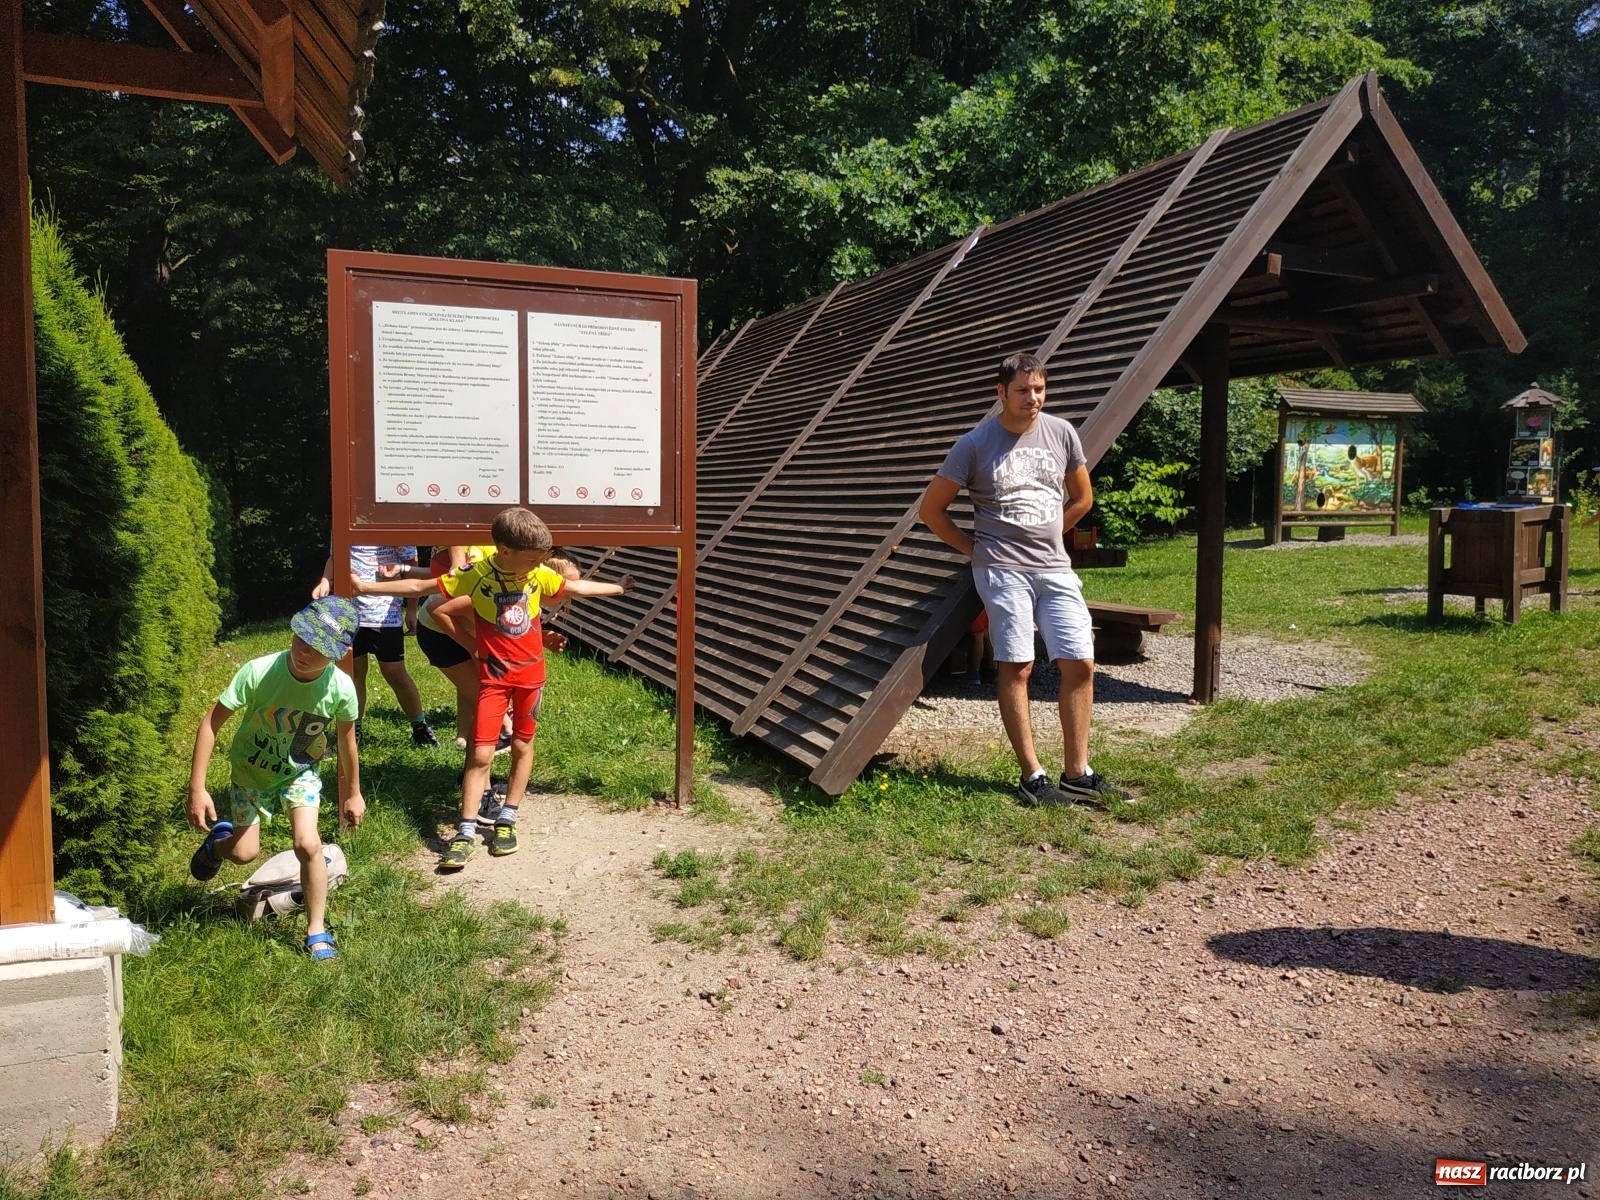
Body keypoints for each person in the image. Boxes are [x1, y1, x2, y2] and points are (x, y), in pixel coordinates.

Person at [355, 508, 633, 869]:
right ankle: (465, 831)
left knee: (521, 745)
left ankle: (507, 819)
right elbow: (422, 588)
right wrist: (365, 587)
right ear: (503, 549)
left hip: (531, 679)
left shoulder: (537, 573)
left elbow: (576, 587)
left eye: (540, 560)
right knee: (481, 754)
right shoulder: (477, 574)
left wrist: (620, 588)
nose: (537, 566)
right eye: (532, 559)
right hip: (494, 679)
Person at [919, 351, 1131, 809]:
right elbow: (930, 511)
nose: (1032, 398)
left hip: (1054, 567)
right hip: (1002, 569)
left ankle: (1078, 773)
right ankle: (1032, 776)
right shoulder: (974, 444)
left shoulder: (1062, 433)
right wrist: (975, 550)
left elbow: (1082, 497)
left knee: (1080, 661)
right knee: (1018, 665)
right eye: (1022, 390)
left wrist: (1052, 528)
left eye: (1038, 389)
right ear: (1001, 393)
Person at [186, 596, 366, 960]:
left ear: (341, 652)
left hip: (300, 773)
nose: (305, 652)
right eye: (303, 638)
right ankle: (218, 844)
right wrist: (197, 786)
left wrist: (353, 793)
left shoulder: (341, 689)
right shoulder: (259, 672)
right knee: (243, 853)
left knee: (308, 844)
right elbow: (210, 724)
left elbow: (347, 743)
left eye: (319, 648)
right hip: (251, 772)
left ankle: (316, 930)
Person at [313, 545, 438, 748]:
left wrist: (412, 609)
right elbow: (335, 556)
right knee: (353, 673)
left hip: (385, 614)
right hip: (349, 613)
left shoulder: (392, 523)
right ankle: (354, 731)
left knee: (394, 672)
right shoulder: (342, 518)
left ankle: (420, 727)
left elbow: (411, 564)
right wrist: (326, 580)